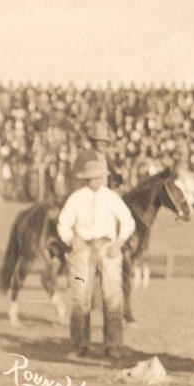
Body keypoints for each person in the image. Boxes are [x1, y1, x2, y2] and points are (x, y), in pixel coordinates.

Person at [57, 150, 136, 359]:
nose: (95, 181)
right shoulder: (76, 198)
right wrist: (72, 240)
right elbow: (63, 223)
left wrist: (118, 242)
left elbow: (128, 221)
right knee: (81, 297)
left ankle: (113, 345)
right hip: (83, 249)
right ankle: (80, 345)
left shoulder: (111, 198)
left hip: (107, 247)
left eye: (98, 177)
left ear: (103, 177)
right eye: (91, 178)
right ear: (86, 179)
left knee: (112, 297)